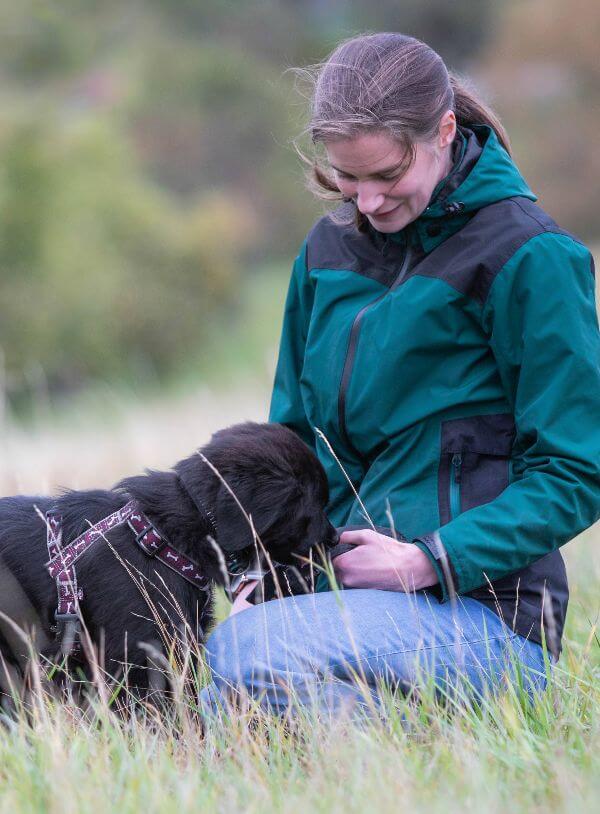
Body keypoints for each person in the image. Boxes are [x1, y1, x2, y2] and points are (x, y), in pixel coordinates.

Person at [199, 32, 600, 716]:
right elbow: (293, 448)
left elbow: (576, 469)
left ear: (444, 130)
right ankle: (426, 751)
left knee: (243, 654)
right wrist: (264, 567)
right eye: (346, 179)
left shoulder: (530, 255)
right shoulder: (325, 253)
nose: (368, 202)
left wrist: (426, 561)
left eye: (387, 176)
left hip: (489, 618)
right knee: (218, 702)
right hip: (342, 610)